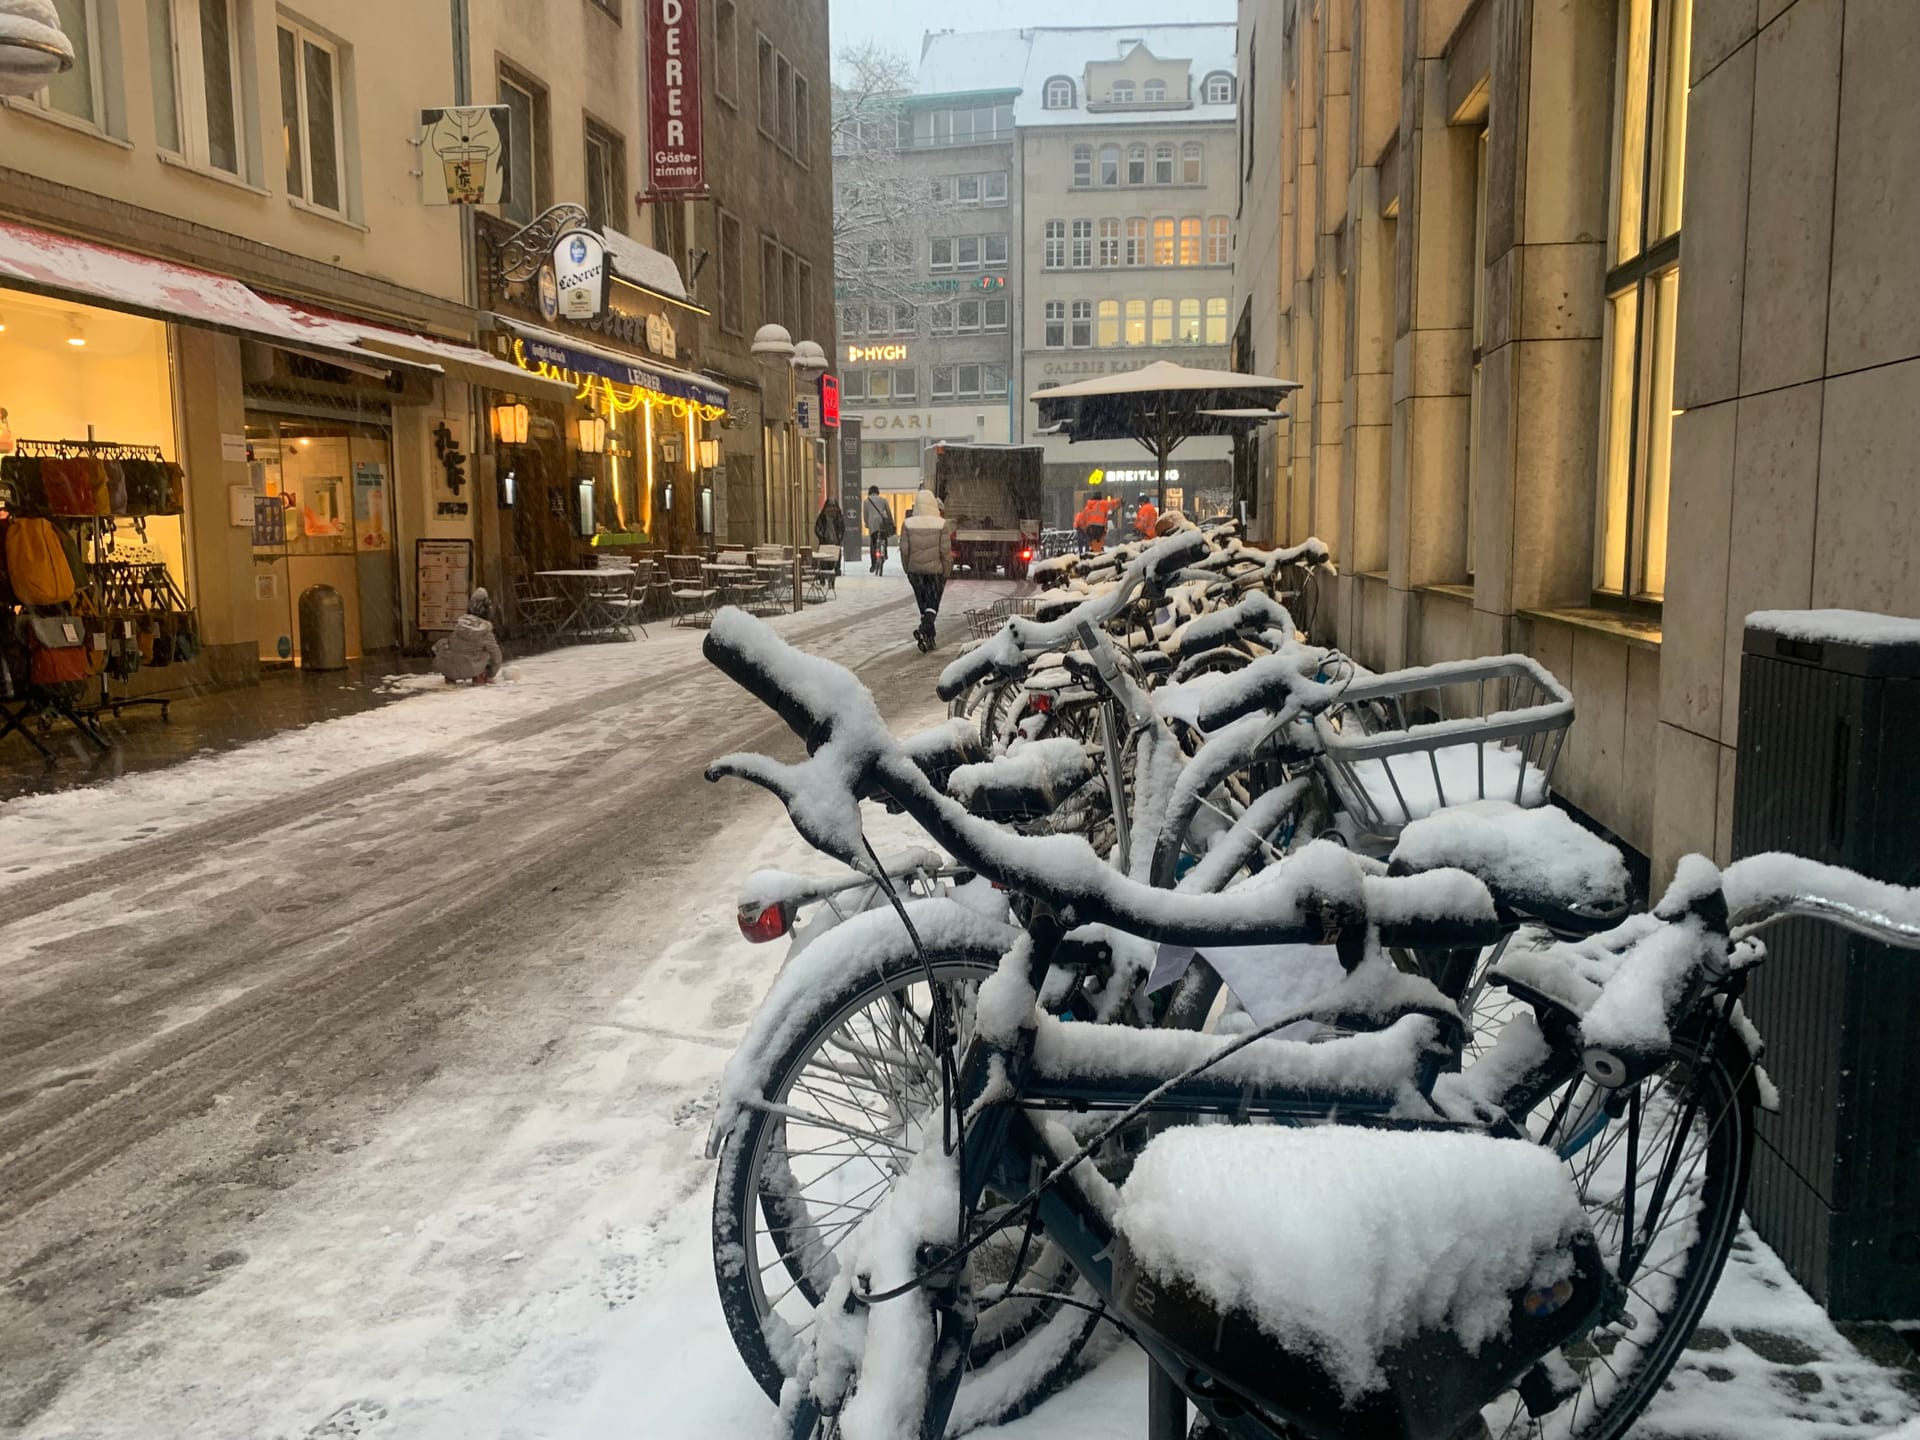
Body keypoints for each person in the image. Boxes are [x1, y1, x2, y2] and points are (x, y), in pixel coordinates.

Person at [899, 486, 954, 652]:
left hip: (915, 572)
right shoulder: (941, 524)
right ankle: (924, 630)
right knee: (932, 604)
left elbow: (904, 550)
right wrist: (947, 571)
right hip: (935, 572)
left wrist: (907, 569)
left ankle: (929, 635)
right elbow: (945, 551)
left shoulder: (907, 524)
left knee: (923, 604)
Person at [433, 587, 503, 685]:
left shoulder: (459, 626)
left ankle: (450, 678)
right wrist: (491, 673)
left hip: (450, 668)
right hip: (471, 668)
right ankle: (479, 677)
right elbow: (496, 656)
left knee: (450, 646)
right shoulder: (485, 631)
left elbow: (453, 645)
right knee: (486, 653)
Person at [862, 485, 893, 575]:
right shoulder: (883, 500)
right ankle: (885, 554)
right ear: (877, 491)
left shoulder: (866, 501)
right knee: (884, 538)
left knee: (873, 544)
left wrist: (867, 524)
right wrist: (891, 522)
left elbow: (865, 514)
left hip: (873, 524)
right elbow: (888, 512)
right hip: (882, 523)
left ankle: (873, 564)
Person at [814, 498, 846, 574]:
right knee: (824, 558)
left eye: (833, 506)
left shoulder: (839, 516)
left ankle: (835, 570)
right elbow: (817, 527)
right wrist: (821, 537)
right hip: (825, 541)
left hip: (835, 541)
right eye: (830, 506)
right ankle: (825, 572)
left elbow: (842, 528)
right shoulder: (822, 516)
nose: (832, 508)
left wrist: (839, 537)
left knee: (835, 557)